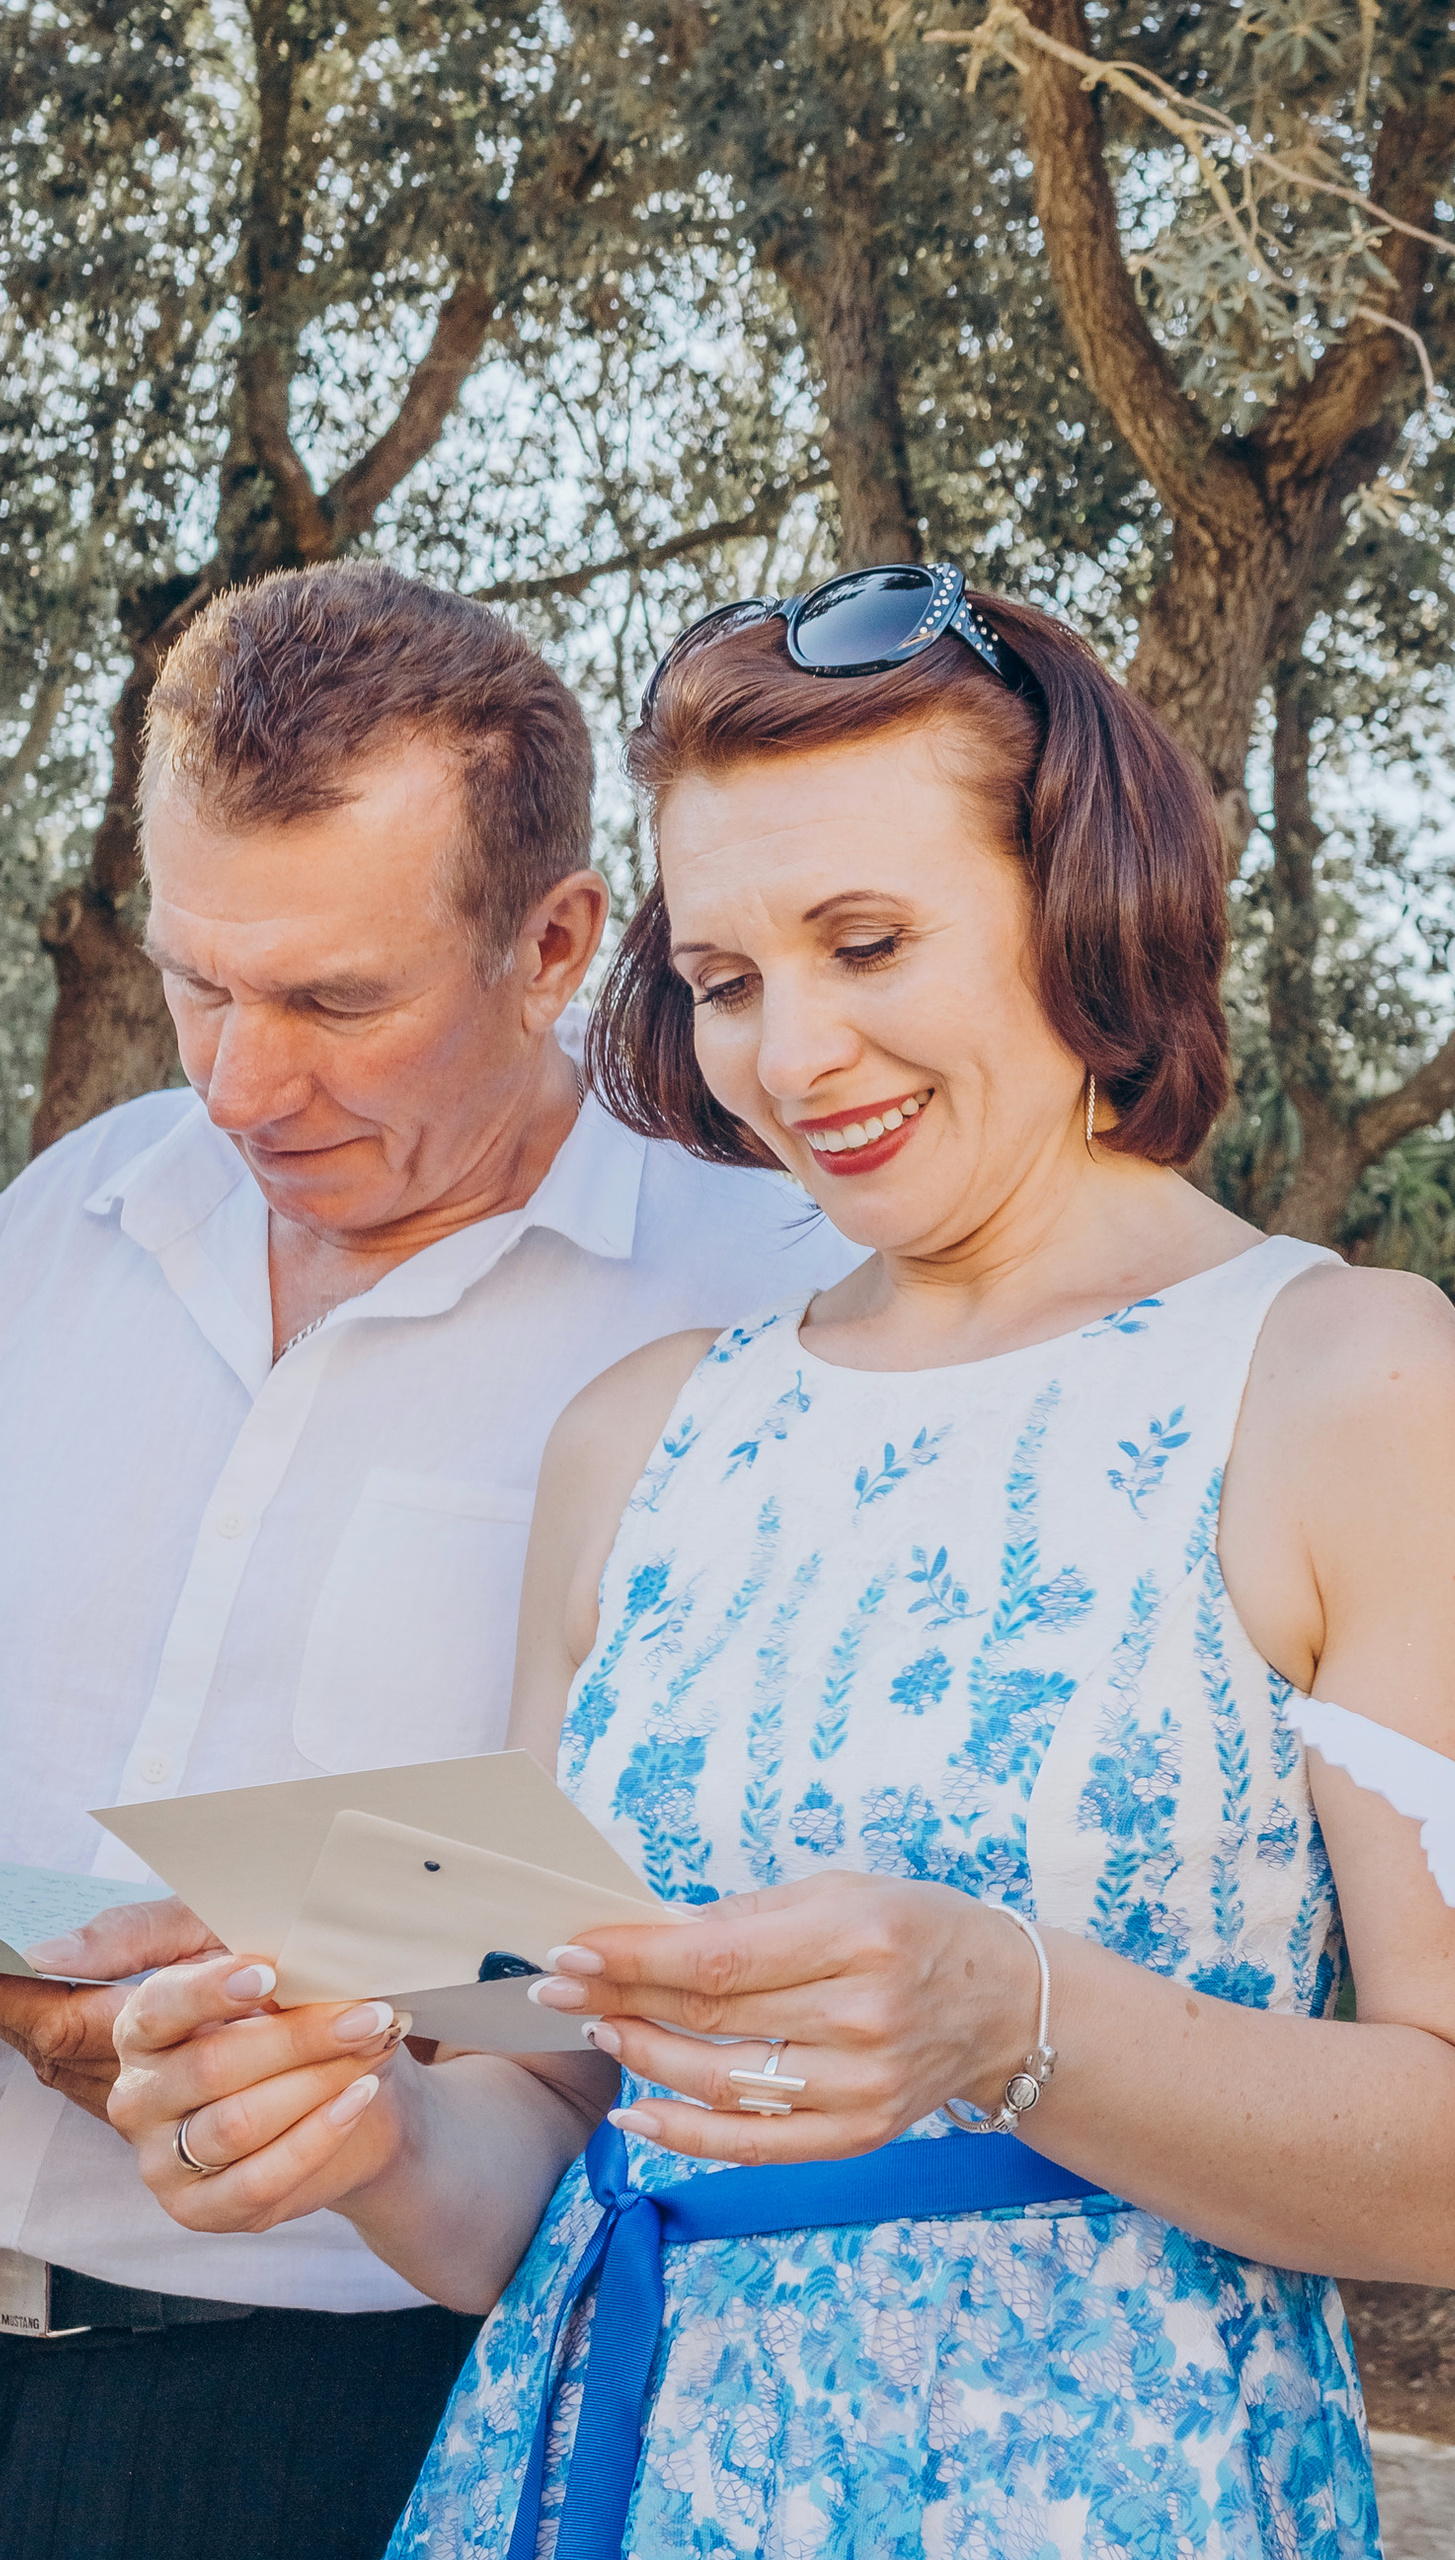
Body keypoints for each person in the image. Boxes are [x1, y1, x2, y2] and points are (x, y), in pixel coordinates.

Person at [104, 565, 1455, 2556]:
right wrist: (350, 2119)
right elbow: (544, 2131)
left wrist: (1008, 2005)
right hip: (594, 2477)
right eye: (723, 978)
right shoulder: (640, 1430)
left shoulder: (1343, 1377)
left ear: (1083, 907)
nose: (793, 1052)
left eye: (866, 940)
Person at [0, 564, 851, 2560]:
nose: (233, 1080)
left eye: (333, 1001)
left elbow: (710, 1907)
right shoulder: (62, 1215)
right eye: (203, 977)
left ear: (555, 938)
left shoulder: (763, 1321)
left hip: (341, 2411)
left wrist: (333, 1993)